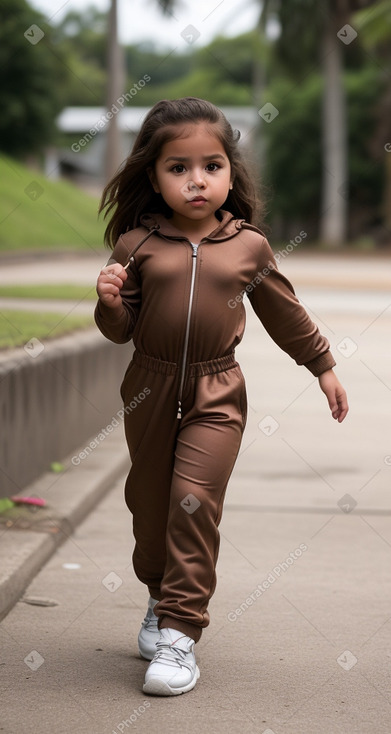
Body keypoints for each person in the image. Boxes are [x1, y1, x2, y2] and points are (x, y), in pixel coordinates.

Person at [94, 97, 348, 697]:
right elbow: (121, 329)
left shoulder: (249, 246)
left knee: (192, 500)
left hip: (218, 392)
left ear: (231, 171)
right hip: (148, 390)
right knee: (151, 505)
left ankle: (181, 633)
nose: (197, 180)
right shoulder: (136, 244)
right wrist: (108, 303)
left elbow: (286, 315)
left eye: (211, 165)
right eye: (178, 167)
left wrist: (324, 366)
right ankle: (159, 597)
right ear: (153, 177)